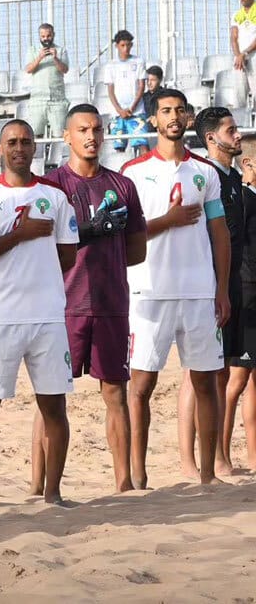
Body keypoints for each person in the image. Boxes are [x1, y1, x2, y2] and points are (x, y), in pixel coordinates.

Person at [0, 120, 77, 506]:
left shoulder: (55, 195)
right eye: (12, 142)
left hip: (46, 316)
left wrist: (36, 268)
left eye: (26, 142)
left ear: (35, 148)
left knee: (54, 406)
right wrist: (19, 235)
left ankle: (53, 492)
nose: (19, 148)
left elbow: (67, 255)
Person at [122, 88, 230, 489]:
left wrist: (221, 290)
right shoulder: (133, 173)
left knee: (205, 381)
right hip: (149, 291)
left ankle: (206, 474)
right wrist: (167, 220)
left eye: (180, 110)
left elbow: (219, 234)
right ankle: (137, 474)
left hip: (199, 291)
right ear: (153, 120)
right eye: (166, 110)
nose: (173, 116)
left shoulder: (206, 171)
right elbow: (128, 236)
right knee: (141, 386)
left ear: (188, 118)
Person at [44, 104, 147, 494]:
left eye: (98, 129)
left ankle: (124, 483)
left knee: (115, 393)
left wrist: (108, 241)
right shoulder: (52, 185)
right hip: (65, 304)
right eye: (83, 129)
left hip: (111, 303)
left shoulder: (123, 185)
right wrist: (88, 231)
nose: (92, 136)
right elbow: (46, 247)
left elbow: (137, 251)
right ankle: (41, 487)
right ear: (67, 136)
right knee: (51, 396)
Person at [177, 107, 245, 477]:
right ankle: (189, 460)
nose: (238, 135)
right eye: (231, 130)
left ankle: (219, 454)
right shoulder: (201, 175)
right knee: (197, 373)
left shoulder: (231, 177)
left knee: (219, 373)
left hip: (229, 282)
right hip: (202, 286)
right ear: (210, 138)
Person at [226, 138, 256, 469]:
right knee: (237, 379)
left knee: (253, 380)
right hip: (247, 293)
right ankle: (221, 454)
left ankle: (252, 455)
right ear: (248, 165)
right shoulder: (243, 200)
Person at [23, 23, 70, 149]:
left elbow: (65, 69)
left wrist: (55, 58)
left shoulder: (61, 50)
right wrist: (39, 57)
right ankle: (35, 161)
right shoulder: (32, 50)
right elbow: (28, 69)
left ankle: (57, 162)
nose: (46, 39)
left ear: (53, 35)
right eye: (43, 36)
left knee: (59, 135)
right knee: (35, 134)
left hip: (57, 100)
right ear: (39, 36)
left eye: (48, 36)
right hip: (38, 100)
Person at [104, 31, 147, 135]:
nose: (126, 48)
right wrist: (119, 110)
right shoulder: (111, 65)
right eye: (122, 45)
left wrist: (132, 108)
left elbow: (141, 86)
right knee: (118, 146)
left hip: (136, 112)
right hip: (117, 113)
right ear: (116, 46)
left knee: (141, 143)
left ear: (131, 45)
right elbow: (110, 91)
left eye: (128, 45)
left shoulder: (139, 61)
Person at [231, 0, 256, 94]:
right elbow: (233, 37)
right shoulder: (237, 15)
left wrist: (245, 53)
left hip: (253, 55)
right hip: (240, 58)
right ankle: (241, 111)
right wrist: (238, 55)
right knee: (239, 91)